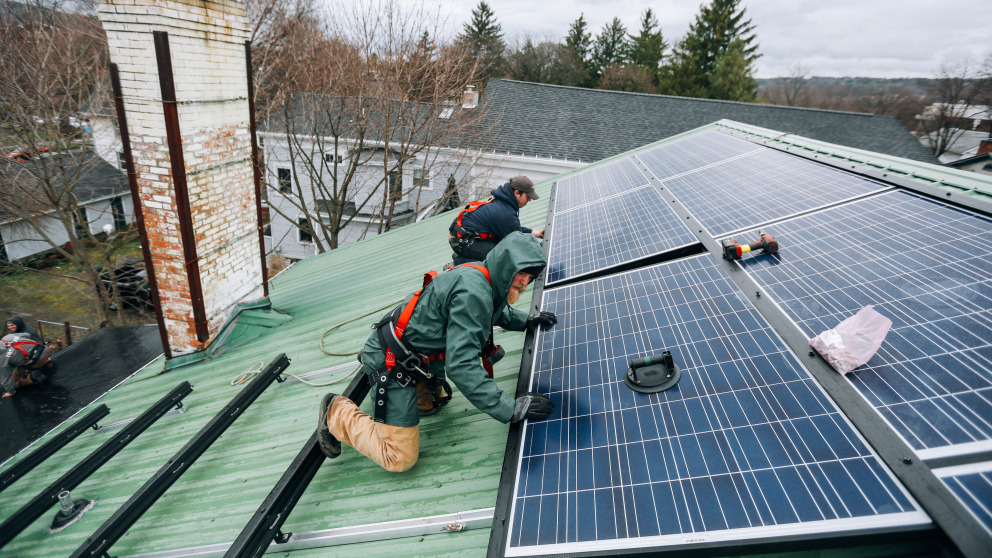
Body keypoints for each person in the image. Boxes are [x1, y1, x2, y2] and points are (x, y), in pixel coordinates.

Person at [318, 232, 558, 472]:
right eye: (522, 273)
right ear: (506, 264)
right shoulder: (473, 291)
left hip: (411, 351)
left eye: (530, 276)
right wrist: (509, 408)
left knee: (429, 407)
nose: (525, 282)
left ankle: (412, 391)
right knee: (400, 459)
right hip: (392, 362)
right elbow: (461, 366)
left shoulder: (482, 273)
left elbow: (493, 309)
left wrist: (526, 320)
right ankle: (337, 411)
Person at [449, 176, 545, 266]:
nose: (529, 200)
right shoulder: (505, 213)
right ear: (517, 193)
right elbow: (517, 241)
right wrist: (538, 250)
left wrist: (535, 233)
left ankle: (467, 257)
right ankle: (459, 264)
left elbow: (513, 229)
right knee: (502, 258)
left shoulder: (503, 202)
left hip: (465, 235)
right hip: (461, 241)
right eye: (527, 197)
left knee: (503, 245)